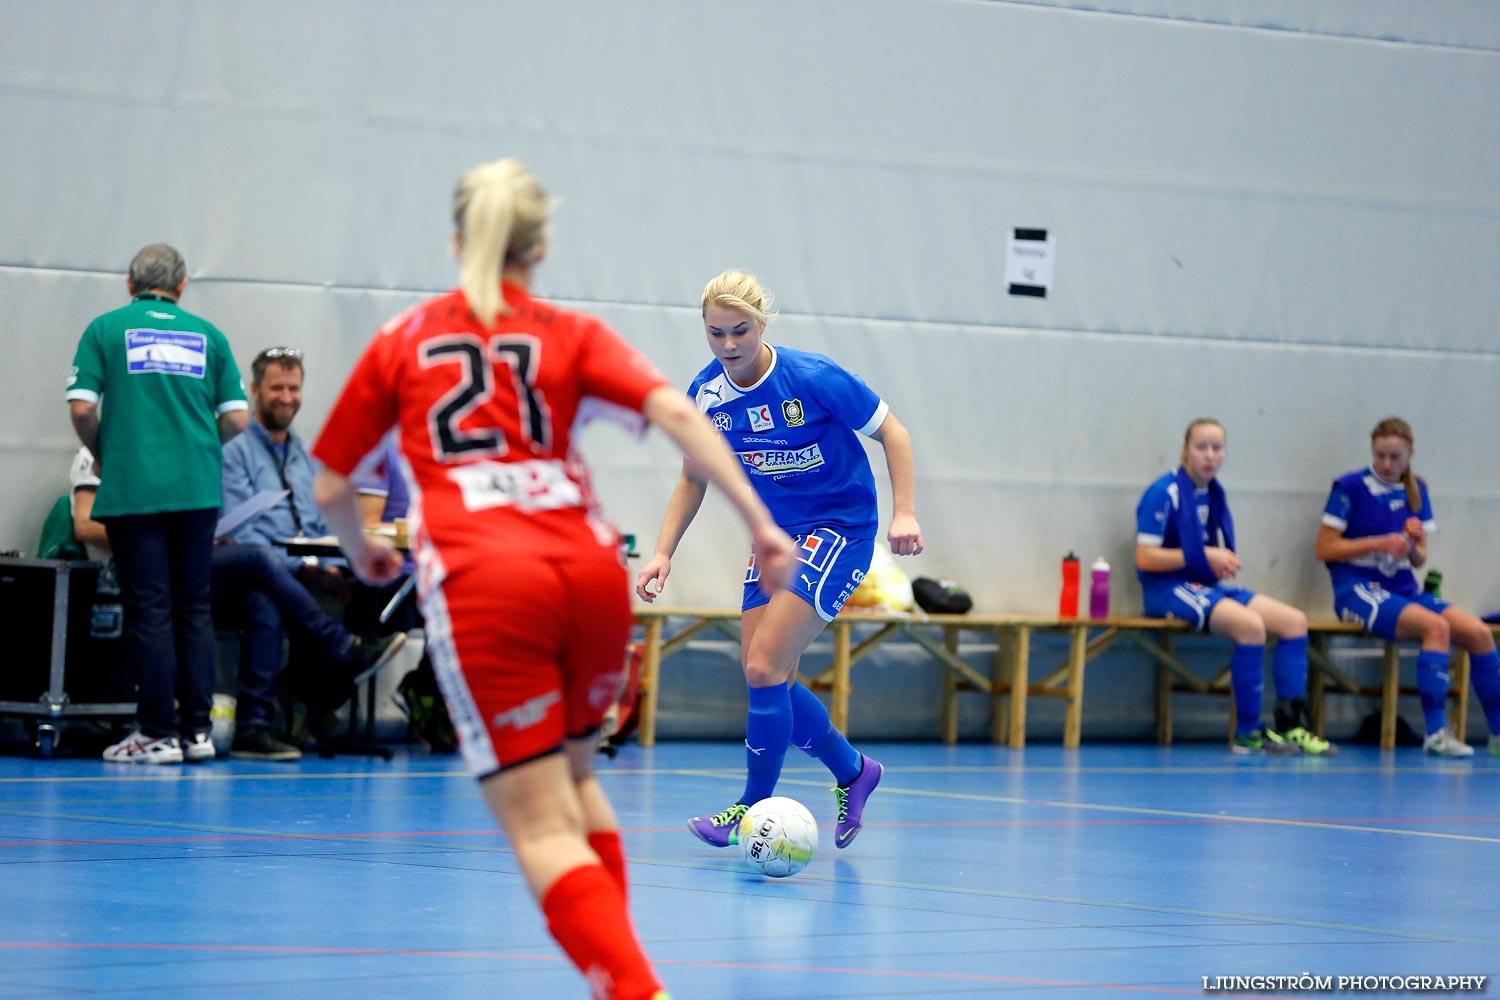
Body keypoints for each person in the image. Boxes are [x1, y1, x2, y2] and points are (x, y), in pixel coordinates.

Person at [310, 157, 795, 1000]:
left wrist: (365, 556)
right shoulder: (568, 333)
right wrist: (760, 522)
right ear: (541, 249)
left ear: (459, 240)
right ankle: (622, 975)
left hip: (488, 579)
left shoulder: (402, 340)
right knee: (575, 784)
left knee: (538, 828)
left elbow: (327, 485)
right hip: (590, 571)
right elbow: (681, 413)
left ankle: (638, 990)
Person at [634, 269, 924, 849]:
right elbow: (693, 478)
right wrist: (663, 551)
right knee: (766, 677)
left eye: (740, 330)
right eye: (715, 334)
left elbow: (894, 433)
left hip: (839, 528)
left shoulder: (811, 377)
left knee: (765, 667)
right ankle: (854, 771)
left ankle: (750, 808)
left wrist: (905, 512)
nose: (729, 346)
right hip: (774, 538)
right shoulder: (707, 394)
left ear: (763, 325)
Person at [65, 243, 249, 764]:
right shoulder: (210, 336)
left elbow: (82, 409)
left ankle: (155, 732)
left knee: (150, 608)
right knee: (193, 608)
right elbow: (237, 419)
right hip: (197, 492)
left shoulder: (105, 328)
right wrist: (198, 449)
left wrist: (107, 453)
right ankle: (196, 733)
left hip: (137, 489)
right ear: (182, 287)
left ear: (130, 284)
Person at [218, 347, 405, 755]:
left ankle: (301, 713)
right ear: (255, 391)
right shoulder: (233, 451)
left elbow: (321, 526)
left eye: (294, 388)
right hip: (251, 571)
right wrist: (302, 568)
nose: (286, 397)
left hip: (301, 576)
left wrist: (326, 564)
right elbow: (240, 532)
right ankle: (324, 676)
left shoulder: (307, 457)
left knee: (352, 593)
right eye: (276, 388)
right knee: (265, 597)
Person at [1135, 419, 1334, 755]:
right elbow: (1145, 558)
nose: (1209, 456)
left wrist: (1218, 562)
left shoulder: (1213, 493)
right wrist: (1202, 556)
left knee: (1294, 622)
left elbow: (1206, 555)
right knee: (1250, 626)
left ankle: (1292, 725)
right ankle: (1247, 733)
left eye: (1217, 448)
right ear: (1185, 451)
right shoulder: (1163, 492)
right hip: (1166, 588)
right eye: (1201, 448)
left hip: (1204, 586)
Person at [1315, 417, 1500, 757]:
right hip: (1355, 588)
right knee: (1436, 626)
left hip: (1403, 589)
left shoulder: (1418, 490)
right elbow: (1324, 549)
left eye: (1394, 457)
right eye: (1380, 455)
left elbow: (1419, 560)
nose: (1386, 464)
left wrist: (1412, 546)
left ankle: (1498, 735)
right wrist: (1377, 544)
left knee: (1480, 633)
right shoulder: (1350, 487)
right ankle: (1436, 734)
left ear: (1410, 455)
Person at [349, 431, 457, 754]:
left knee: (486, 604)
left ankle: (425, 687)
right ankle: (425, 692)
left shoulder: (440, 451)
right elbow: (368, 527)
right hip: (391, 576)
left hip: (430, 573)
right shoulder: (381, 452)